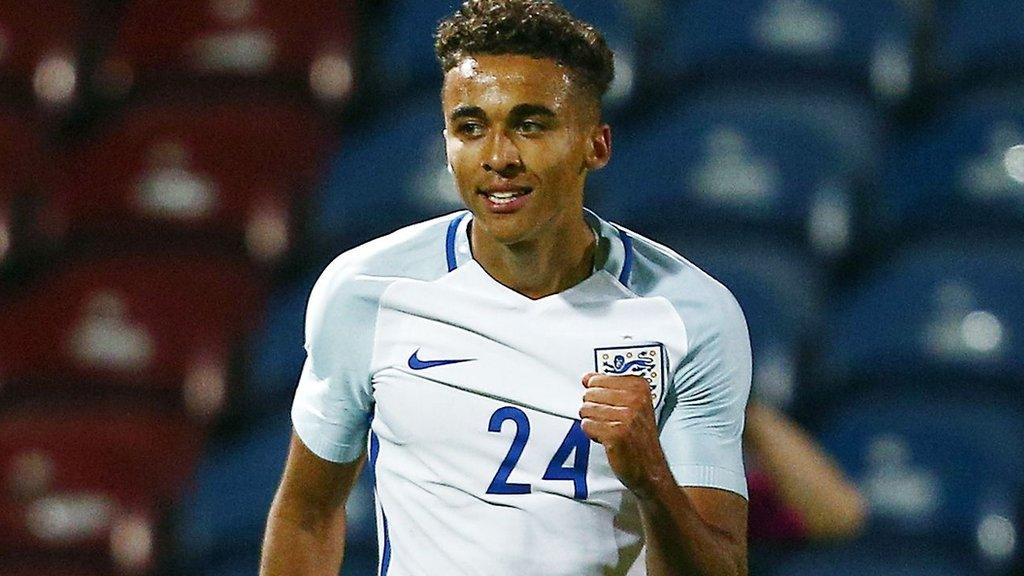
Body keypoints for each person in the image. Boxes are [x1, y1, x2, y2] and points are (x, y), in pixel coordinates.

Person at [260, 1, 751, 575]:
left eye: (530, 124)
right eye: (470, 128)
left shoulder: (691, 314)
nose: (498, 158)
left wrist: (652, 480)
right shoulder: (366, 292)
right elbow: (307, 514)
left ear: (596, 144)